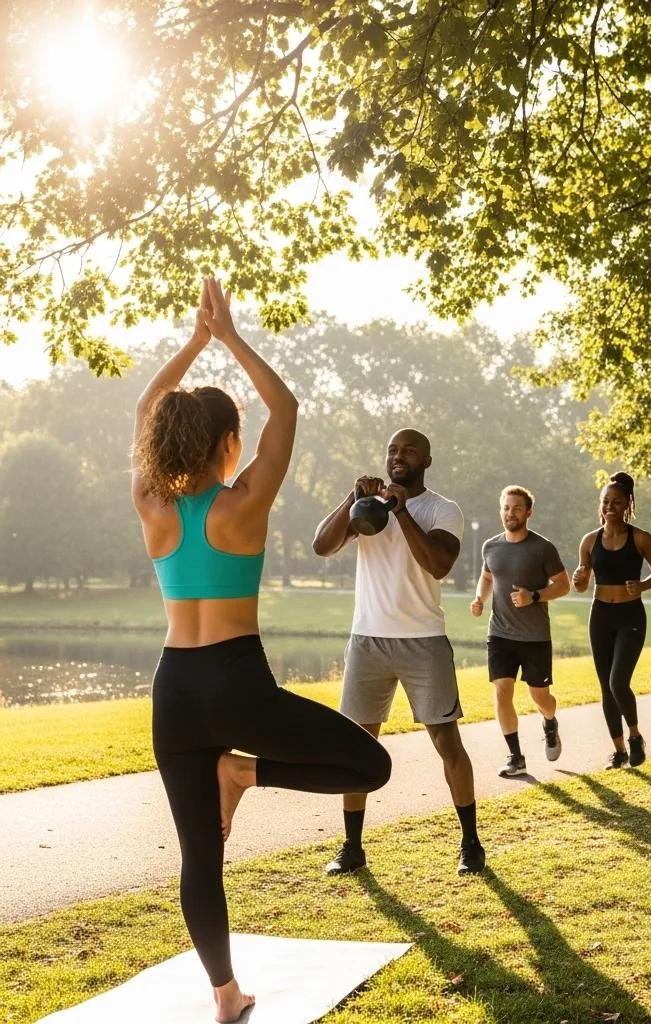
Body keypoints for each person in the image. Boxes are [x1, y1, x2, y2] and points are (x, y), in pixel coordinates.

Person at [132, 278, 391, 1024]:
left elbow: (144, 408)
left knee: (199, 856)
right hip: (236, 683)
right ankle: (244, 771)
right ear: (227, 443)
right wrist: (228, 336)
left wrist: (193, 343)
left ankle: (225, 995)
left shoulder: (151, 504)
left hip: (174, 689)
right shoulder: (243, 502)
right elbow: (287, 409)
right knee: (370, 767)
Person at [312, 429, 485, 876]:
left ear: (427, 460)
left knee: (447, 742)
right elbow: (322, 546)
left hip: (422, 641)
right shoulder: (365, 508)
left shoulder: (442, 509)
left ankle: (470, 843)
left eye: (409, 450)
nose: (398, 456)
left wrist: (402, 511)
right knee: (357, 746)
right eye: (392, 449)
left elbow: (438, 564)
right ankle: (352, 848)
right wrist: (351, 498)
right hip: (367, 640)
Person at [471, 485, 571, 777]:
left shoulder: (542, 548)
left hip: (535, 636)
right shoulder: (490, 546)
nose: (510, 513)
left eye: (516, 508)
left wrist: (534, 596)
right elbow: (487, 577)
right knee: (502, 691)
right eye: (506, 507)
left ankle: (550, 720)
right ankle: (516, 757)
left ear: (529, 512)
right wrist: (479, 598)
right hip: (499, 633)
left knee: (540, 697)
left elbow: (563, 585)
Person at [572, 472, 651, 768]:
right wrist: (579, 579)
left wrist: (642, 585)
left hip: (630, 616)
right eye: (605, 501)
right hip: (600, 616)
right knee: (606, 686)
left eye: (616, 502)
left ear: (627, 504)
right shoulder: (589, 541)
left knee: (618, 681)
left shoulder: (641, 538)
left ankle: (635, 737)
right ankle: (619, 750)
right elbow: (582, 584)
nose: (609, 506)